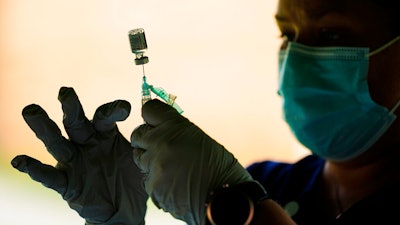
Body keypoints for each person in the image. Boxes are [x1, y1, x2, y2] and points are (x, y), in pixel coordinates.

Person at [11, 0, 400, 224]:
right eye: (287, 35)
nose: (296, 59)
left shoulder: (241, 196)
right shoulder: (269, 185)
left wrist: (240, 210)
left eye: (332, 35)